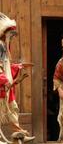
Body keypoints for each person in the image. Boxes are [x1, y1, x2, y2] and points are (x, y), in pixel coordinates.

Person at [0, 12, 35, 142]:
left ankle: (19, 134)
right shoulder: (0, 45)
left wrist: (18, 67)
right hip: (2, 85)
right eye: (11, 35)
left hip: (6, 87)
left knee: (13, 108)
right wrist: (4, 80)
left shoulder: (4, 46)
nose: (12, 38)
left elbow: (6, 65)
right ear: (5, 34)